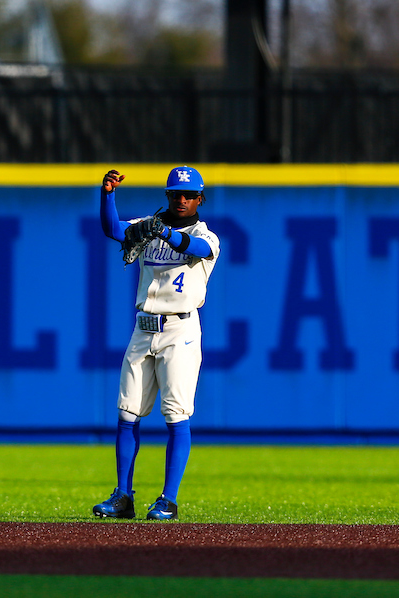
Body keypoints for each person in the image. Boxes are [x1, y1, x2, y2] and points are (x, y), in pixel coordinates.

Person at [92, 166, 221, 521]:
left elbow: (193, 247)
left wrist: (163, 231)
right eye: (176, 194)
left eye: (189, 195)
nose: (182, 200)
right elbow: (112, 229)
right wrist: (108, 195)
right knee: (126, 413)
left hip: (180, 331)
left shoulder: (206, 235)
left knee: (176, 415)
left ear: (200, 198)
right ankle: (123, 496)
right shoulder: (149, 226)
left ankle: (168, 499)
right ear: (168, 196)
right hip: (143, 328)